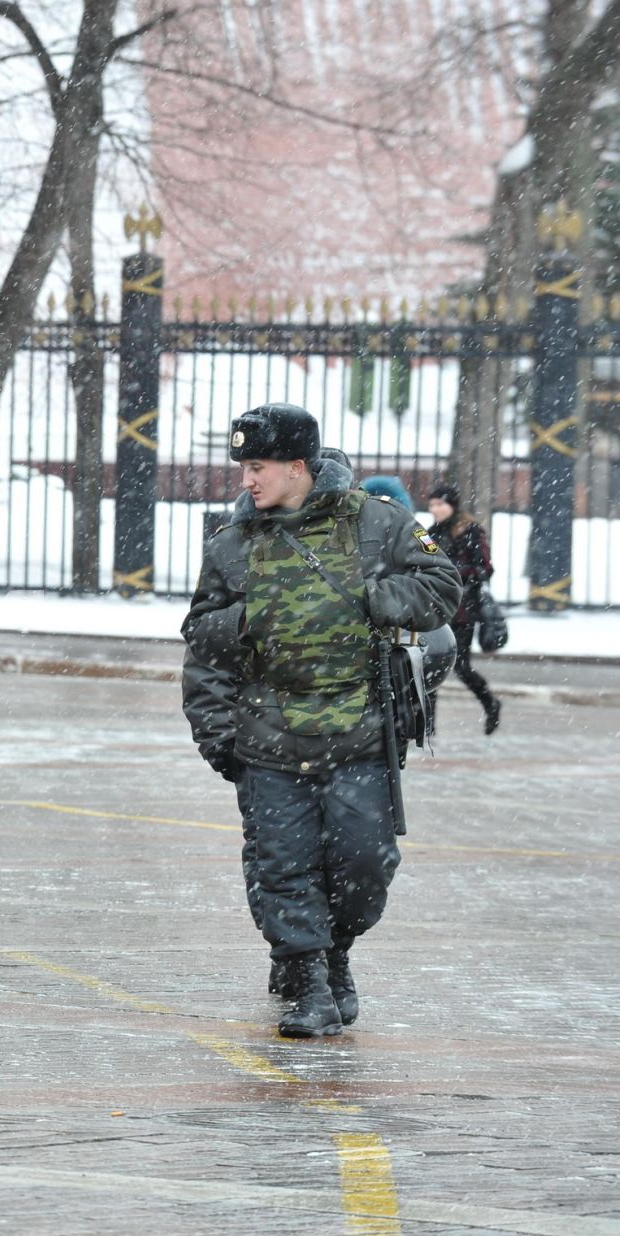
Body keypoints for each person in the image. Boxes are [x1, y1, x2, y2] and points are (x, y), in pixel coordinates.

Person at [183, 403, 458, 1038]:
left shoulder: (381, 524)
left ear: (298, 467)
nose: (246, 481)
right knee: (283, 864)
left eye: (257, 467)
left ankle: (335, 952)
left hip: (360, 734)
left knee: (365, 865)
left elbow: (442, 585)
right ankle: (306, 977)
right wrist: (252, 623)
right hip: (269, 736)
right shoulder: (231, 545)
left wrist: (377, 599)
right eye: (244, 468)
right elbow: (199, 635)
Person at [426, 484, 500, 735]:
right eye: (432, 505)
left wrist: (455, 573)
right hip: (435, 609)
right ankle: (428, 725)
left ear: (452, 506)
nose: (435, 509)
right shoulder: (430, 533)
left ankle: (490, 704)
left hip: (463, 611)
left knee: (461, 667)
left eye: (440, 504)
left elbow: (485, 568)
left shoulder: (469, 530)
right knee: (430, 666)